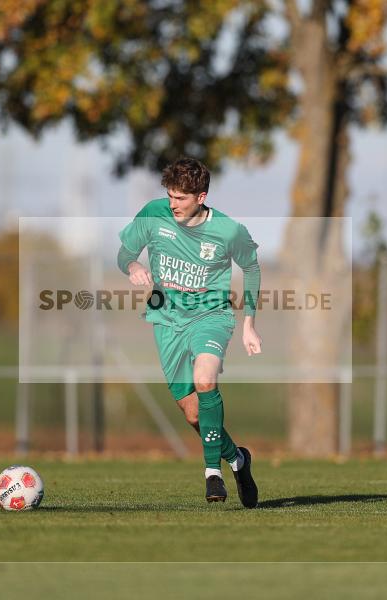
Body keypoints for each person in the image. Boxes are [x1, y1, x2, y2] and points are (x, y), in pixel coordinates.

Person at [117, 157, 261, 507]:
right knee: (194, 413)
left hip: (211, 315)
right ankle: (238, 459)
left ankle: (212, 473)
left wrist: (249, 324)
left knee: (205, 378)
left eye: (180, 198)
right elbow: (124, 253)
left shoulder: (227, 230)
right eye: (170, 195)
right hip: (166, 319)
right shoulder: (155, 213)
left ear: (201, 196)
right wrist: (133, 265)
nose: (172, 204)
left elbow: (252, 268)